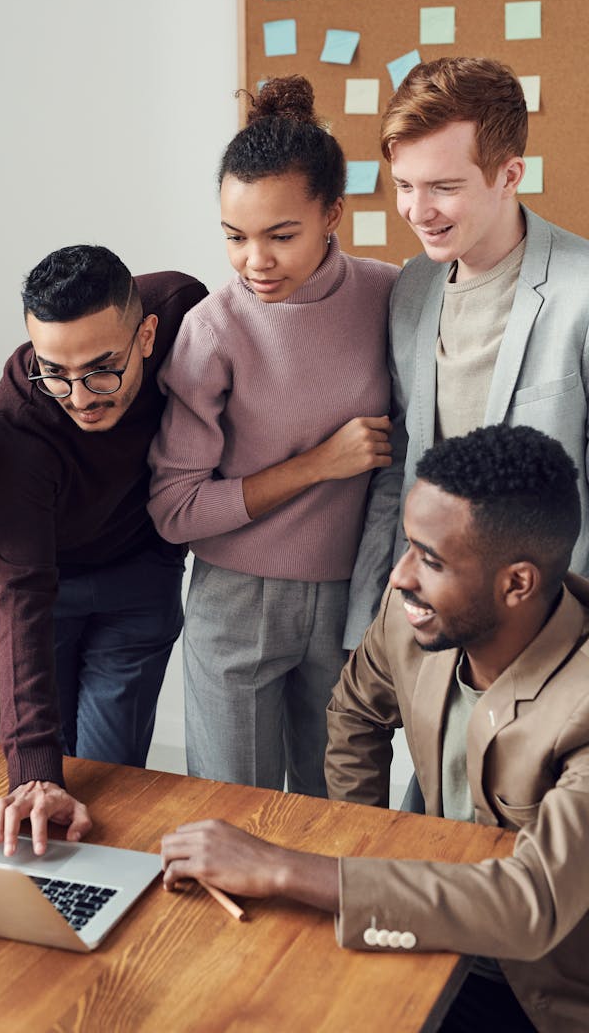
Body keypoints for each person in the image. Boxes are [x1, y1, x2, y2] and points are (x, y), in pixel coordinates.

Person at [162, 424, 589, 1033]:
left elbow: (533, 902)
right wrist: (361, 862)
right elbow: (356, 713)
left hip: (540, 992)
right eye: (409, 546)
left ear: (517, 582)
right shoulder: (415, 616)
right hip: (419, 937)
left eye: (432, 559)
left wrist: (292, 869)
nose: (399, 577)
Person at [147, 76, 397, 794]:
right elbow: (175, 510)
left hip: (352, 595)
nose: (255, 261)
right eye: (234, 237)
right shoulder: (213, 327)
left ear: (333, 215)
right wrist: (320, 464)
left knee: (339, 811)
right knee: (233, 815)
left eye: (281, 235)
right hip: (235, 597)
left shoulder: (391, 295)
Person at [344, 55, 589, 647]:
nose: (417, 211)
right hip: (425, 620)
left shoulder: (582, 293)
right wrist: (367, 626)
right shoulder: (411, 288)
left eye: (444, 187)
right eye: (405, 185)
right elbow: (399, 461)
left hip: (553, 627)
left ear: (509, 175)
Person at [0, 245, 206, 854]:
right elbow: (20, 586)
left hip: (138, 571)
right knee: (44, 782)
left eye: (103, 369)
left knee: (109, 784)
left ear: (148, 334)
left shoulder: (184, 310)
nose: (79, 396)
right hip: (37, 581)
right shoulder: (21, 412)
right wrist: (33, 773)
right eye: (55, 371)